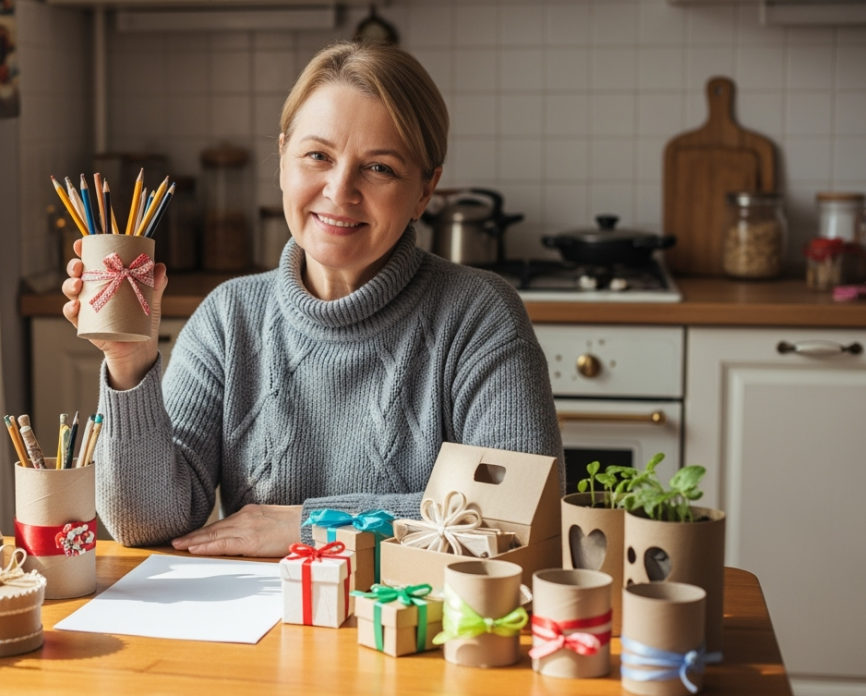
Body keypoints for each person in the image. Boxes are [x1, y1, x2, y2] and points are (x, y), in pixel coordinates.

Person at [61, 41, 562, 557]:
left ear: (425, 191)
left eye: (380, 168)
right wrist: (129, 362)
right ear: (282, 159)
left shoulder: (480, 315)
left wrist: (310, 525)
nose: (339, 190)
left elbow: (516, 515)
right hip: (262, 624)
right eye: (318, 156)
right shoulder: (228, 317)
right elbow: (143, 525)